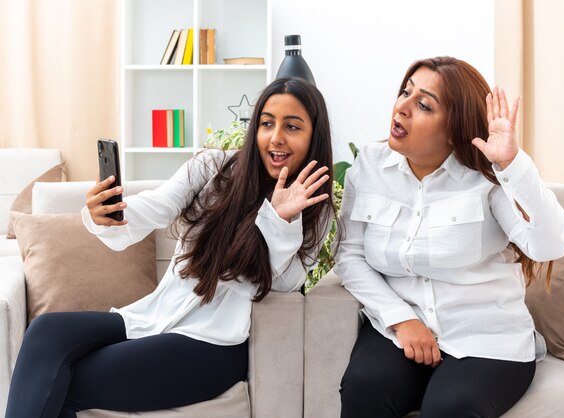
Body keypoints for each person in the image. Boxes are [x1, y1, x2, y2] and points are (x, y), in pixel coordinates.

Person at [5, 77, 335, 418]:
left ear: (314, 136)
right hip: (154, 317)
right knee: (46, 331)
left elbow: (284, 284)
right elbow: (158, 204)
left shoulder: (316, 209)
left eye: (292, 126)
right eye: (267, 123)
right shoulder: (214, 168)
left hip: (213, 345)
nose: (276, 137)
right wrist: (109, 214)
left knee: (61, 381)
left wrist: (280, 219)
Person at [336, 56, 564, 418]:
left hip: (486, 337)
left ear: (453, 129)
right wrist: (401, 319)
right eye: (405, 92)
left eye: (423, 104)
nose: (401, 107)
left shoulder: (487, 178)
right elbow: (349, 256)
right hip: (400, 330)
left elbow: (550, 245)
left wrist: (511, 166)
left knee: (451, 408)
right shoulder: (369, 166)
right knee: (364, 390)